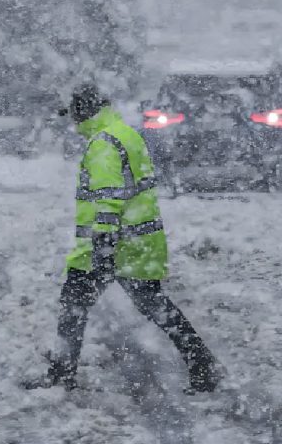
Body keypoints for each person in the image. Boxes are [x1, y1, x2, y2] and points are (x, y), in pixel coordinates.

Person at [24, 84, 218, 393]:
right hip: (139, 241)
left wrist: (103, 247)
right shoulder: (125, 133)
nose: (72, 124)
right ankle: (202, 364)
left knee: (73, 306)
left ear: (82, 112)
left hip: (108, 244)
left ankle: (61, 377)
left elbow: (109, 200)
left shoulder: (102, 144)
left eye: (73, 116)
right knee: (154, 305)